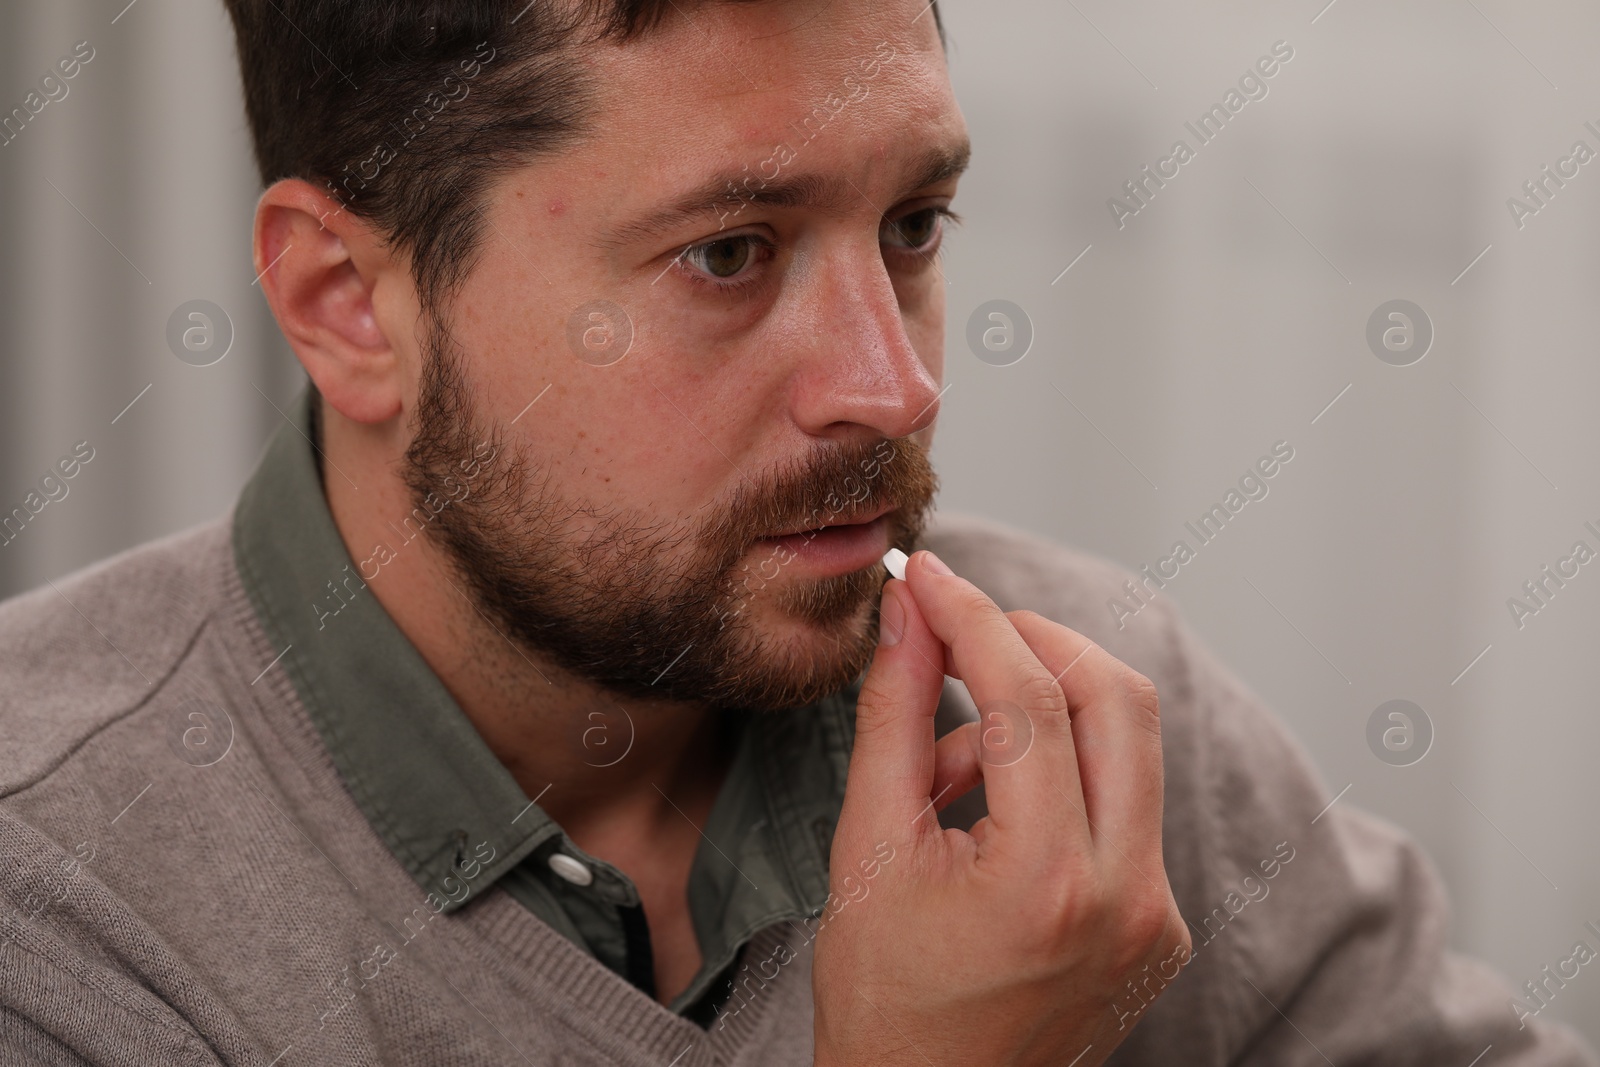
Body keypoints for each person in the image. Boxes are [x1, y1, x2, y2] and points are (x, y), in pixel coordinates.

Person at [0, 0, 1593, 1063]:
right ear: (350, 306)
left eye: (911, 226)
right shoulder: (55, 903)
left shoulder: (1069, 724)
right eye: (731, 253)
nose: (892, 391)